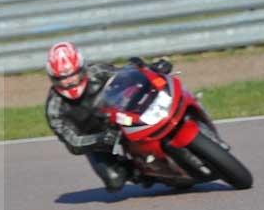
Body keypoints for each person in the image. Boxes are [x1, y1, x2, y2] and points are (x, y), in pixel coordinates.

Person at [44, 42, 172, 192]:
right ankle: (145, 174)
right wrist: (99, 139)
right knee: (114, 181)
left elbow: (126, 74)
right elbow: (73, 143)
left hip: (121, 116)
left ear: (81, 68)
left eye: (73, 74)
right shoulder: (54, 108)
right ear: (52, 78)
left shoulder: (97, 72)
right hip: (97, 140)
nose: (69, 81)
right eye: (61, 78)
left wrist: (151, 68)